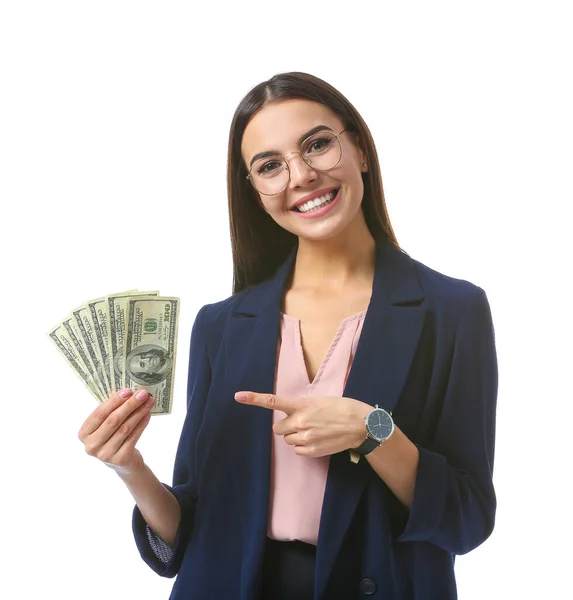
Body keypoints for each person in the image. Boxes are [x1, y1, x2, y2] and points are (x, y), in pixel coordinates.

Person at [78, 72, 498, 599]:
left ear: (361, 150)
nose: (300, 175)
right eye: (270, 166)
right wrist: (129, 467)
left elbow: (467, 520)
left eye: (318, 144)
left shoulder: (452, 311)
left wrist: (374, 432)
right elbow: (187, 536)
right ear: (254, 192)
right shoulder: (221, 326)